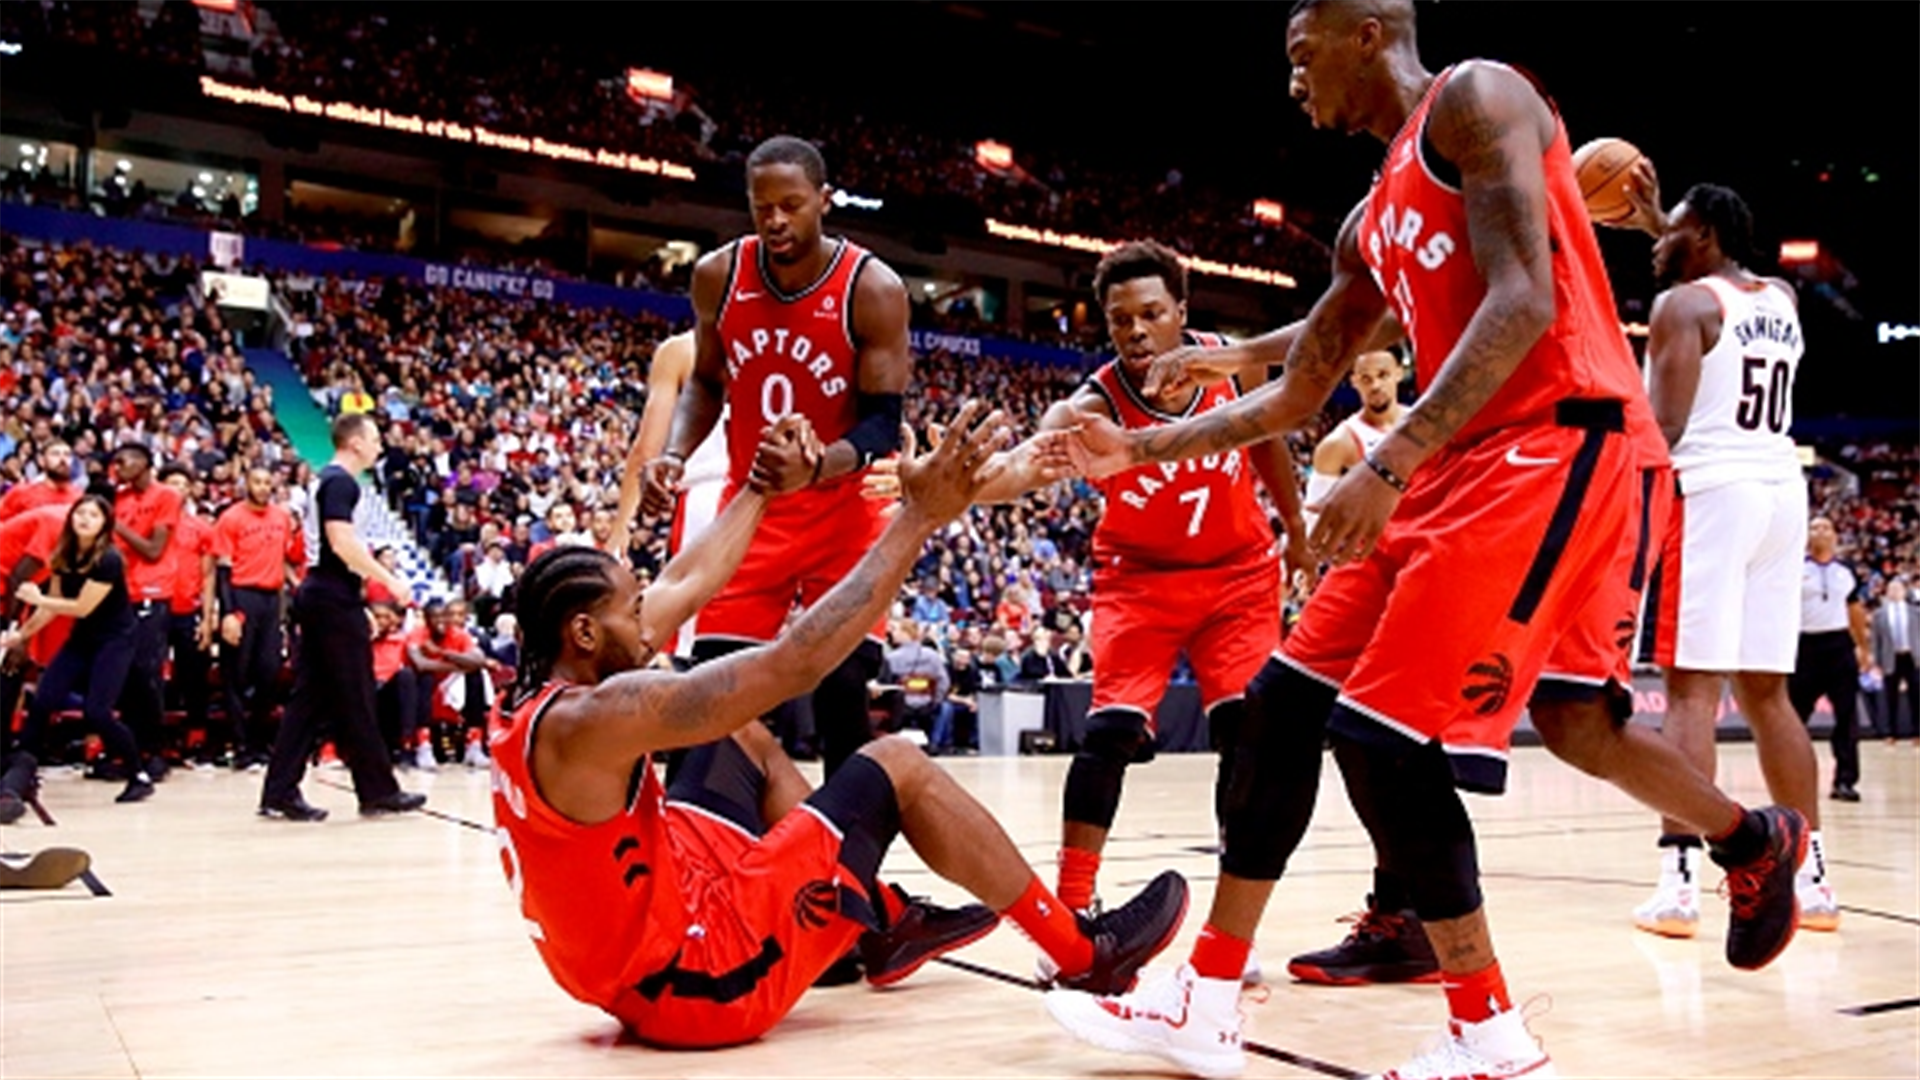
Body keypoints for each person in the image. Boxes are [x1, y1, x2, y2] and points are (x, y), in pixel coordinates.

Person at [1050, 4, 1807, 1077]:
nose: (1292, 81)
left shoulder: (1477, 96)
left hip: (1557, 444)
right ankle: (1207, 996)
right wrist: (1137, 445)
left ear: (1365, 34)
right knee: (1313, 710)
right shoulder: (1369, 220)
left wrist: (1389, 460)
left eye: (1301, 55)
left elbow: (1526, 301)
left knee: (1379, 739)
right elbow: (1305, 379)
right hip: (1462, 464)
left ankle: (1489, 1033)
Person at [493, 403, 1187, 1050]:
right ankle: (1084, 955)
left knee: (735, 732)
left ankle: (874, 928)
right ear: (585, 632)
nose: (649, 619)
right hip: (700, 983)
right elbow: (794, 665)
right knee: (895, 763)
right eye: (632, 608)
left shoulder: (534, 704)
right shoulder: (593, 717)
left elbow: (687, 578)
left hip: (645, 941)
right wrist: (915, 520)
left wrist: (761, 487)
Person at [1611, 179, 1837, 937]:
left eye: (1670, 230)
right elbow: (1713, 272)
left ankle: (1678, 882)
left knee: (1690, 695)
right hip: (1781, 495)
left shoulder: (1682, 308)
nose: (1655, 243)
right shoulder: (1779, 296)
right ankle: (1812, 880)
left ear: (1701, 233)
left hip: (1709, 493)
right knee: (1769, 696)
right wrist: (1660, 223)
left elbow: (1664, 430)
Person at [645, 135, 908, 781]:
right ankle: (705, 844)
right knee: (712, 687)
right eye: (762, 206)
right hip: (754, 509)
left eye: (791, 204)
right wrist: (675, 452)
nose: (776, 220)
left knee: (842, 687)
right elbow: (707, 381)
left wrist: (818, 466)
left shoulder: (872, 288)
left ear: (823, 200)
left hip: (841, 512)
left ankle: (847, 862)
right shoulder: (718, 274)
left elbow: (883, 422)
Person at [258, 413, 425, 822]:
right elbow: (341, 543)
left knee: (312, 696)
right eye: (374, 438)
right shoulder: (340, 482)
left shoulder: (332, 481)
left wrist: (359, 603)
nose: (379, 446)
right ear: (354, 443)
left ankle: (279, 791)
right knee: (356, 693)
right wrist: (390, 581)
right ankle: (377, 791)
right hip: (330, 595)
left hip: (328, 594)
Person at [2, 495, 155, 804]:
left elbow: (82, 607)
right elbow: (53, 607)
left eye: (93, 515)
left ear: (104, 525)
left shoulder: (109, 559)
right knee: (44, 699)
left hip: (115, 639)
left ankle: (138, 773)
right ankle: (23, 771)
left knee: (97, 712)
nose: (85, 519)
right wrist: (22, 635)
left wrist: (38, 599)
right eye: (80, 513)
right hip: (83, 637)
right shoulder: (63, 552)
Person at [618, 329, 729, 659]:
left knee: (689, 650)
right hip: (782, 501)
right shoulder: (789, 336)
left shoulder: (684, 349)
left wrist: (621, 532)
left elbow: (646, 451)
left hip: (710, 498)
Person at [212, 466, 302, 768]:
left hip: (271, 599)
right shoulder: (231, 518)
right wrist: (228, 613)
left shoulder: (282, 518)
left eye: (267, 482)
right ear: (245, 484)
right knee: (235, 674)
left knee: (269, 672)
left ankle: (259, 742)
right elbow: (223, 570)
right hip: (241, 595)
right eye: (257, 482)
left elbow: (288, 560)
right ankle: (240, 746)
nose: (263, 487)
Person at [110, 443, 181, 775]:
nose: (118, 466)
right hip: (121, 592)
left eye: (124, 460)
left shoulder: (166, 496)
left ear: (144, 463)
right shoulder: (118, 498)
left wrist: (118, 526)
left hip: (153, 589)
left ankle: (155, 752)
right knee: (121, 674)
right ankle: (129, 752)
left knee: (147, 673)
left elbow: (154, 550)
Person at [1789, 516, 1870, 802]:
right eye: (1814, 527)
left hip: (1839, 646)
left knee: (1847, 716)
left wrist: (1863, 646)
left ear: (1835, 535)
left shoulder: (1846, 570)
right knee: (1794, 718)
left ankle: (1845, 780)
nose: (1820, 531)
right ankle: (1791, 779)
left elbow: (1855, 610)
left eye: (1826, 527)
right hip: (1804, 647)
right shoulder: (1794, 568)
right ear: (1806, 534)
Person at [158, 463, 216, 766]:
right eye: (171, 483)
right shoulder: (153, 526)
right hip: (154, 607)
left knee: (194, 676)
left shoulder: (201, 528)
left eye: (183, 484)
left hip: (188, 609)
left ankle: (197, 736)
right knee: (149, 675)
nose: (177, 489)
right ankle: (154, 741)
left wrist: (207, 618)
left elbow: (208, 576)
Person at [1869, 578, 1918, 745]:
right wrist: (1876, 662)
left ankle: (1917, 733)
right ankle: (1890, 733)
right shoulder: (1879, 614)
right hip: (1890, 657)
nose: (1895, 592)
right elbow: (1876, 640)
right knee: (1890, 697)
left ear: (1905, 591)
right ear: (1886, 592)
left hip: (1912, 656)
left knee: (1916, 695)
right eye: (1892, 588)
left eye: (1898, 588)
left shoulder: (1915, 612)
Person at [0, 440, 80, 518]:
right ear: (41, 461)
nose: (63, 459)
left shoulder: (78, 497)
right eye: (55, 454)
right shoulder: (21, 493)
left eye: (67, 455)